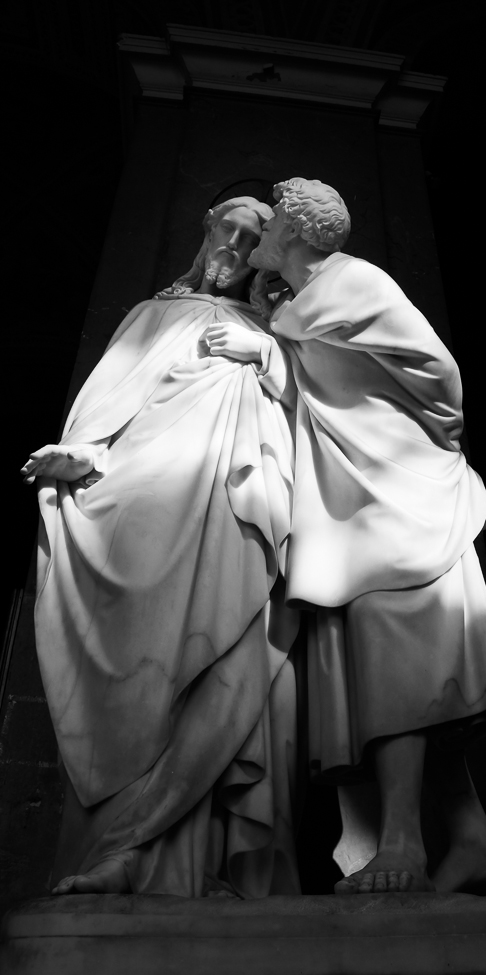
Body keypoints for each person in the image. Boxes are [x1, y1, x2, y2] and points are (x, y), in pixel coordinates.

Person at [21, 197, 302, 899]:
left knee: (226, 653)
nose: (234, 245)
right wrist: (82, 451)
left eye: (251, 238)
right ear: (205, 231)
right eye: (225, 229)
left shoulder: (276, 332)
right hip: (145, 502)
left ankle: (196, 863)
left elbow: (323, 413)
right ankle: (116, 847)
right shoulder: (152, 314)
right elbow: (112, 403)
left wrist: (268, 353)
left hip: (233, 508)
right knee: (140, 677)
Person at [244, 177, 486, 894]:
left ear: (295, 230)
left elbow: (439, 372)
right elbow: (310, 387)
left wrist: (431, 445)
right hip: (355, 502)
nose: (260, 230)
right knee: (390, 665)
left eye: (270, 221)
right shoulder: (302, 306)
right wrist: (273, 329)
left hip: (395, 494)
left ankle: (402, 844)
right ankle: (472, 837)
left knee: (397, 660)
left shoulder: (350, 283)